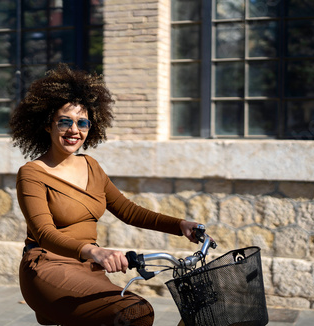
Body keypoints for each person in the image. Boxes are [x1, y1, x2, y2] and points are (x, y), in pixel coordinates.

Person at [10, 64, 201, 326]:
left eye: (82, 122)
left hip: (87, 269)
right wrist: (94, 252)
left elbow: (128, 210)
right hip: (47, 267)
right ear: (47, 124)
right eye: (65, 121)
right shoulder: (32, 173)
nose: (74, 130)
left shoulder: (92, 166)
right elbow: (44, 232)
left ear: (91, 127)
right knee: (136, 312)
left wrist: (179, 225)